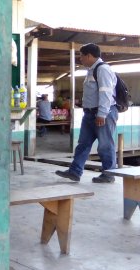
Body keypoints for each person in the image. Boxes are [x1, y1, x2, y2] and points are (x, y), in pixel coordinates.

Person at [56, 43, 118, 183]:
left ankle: (109, 174)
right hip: (90, 114)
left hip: (102, 114)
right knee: (83, 144)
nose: (80, 59)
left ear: (89, 55)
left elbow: (106, 93)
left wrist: (101, 114)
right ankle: (75, 171)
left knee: (105, 145)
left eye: (81, 56)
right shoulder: (91, 70)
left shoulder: (103, 70)